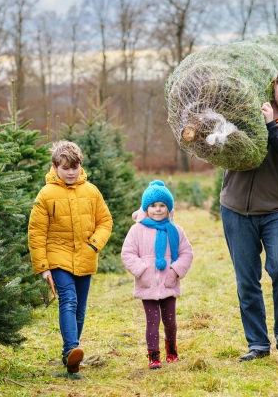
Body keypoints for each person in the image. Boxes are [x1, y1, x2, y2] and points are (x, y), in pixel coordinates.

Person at [220, 63, 278, 362]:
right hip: (236, 208)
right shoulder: (249, 109)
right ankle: (257, 344)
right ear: (275, 84)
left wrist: (273, 125)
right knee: (246, 280)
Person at [28, 140, 113, 374]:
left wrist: (93, 246)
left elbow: (105, 221)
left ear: (80, 166)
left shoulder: (91, 191)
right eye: (66, 168)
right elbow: (36, 232)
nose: (71, 172)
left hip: (85, 256)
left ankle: (71, 359)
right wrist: (43, 266)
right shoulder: (45, 194)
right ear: (55, 167)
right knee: (69, 300)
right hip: (58, 257)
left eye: (74, 168)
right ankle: (71, 350)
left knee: (80, 308)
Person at [121, 180, 194, 370]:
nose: (158, 209)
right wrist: (142, 272)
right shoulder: (137, 230)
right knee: (152, 321)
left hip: (168, 284)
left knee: (170, 321)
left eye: (162, 205)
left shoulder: (176, 230)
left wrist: (175, 272)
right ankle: (153, 355)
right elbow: (128, 253)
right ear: (146, 208)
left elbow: (187, 253)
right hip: (148, 285)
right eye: (153, 206)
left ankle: (172, 350)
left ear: (169, 208)